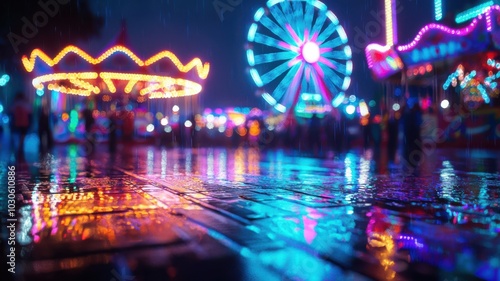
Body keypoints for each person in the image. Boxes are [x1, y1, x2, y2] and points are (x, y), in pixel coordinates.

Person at [10, 92, 32, 158]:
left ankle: (18, 147)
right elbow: (29, 112)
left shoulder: (15, 104)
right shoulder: (26, 104)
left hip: (16, 122)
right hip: (24, 122)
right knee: (22, 135)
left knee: (17, 136)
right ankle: (20, 146)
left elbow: (11, 112)